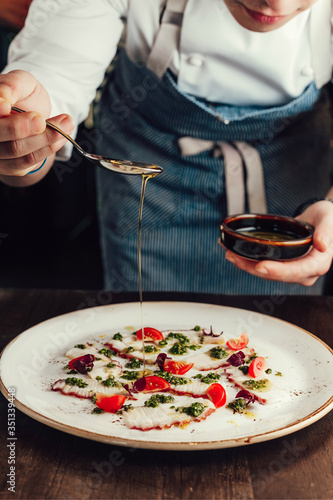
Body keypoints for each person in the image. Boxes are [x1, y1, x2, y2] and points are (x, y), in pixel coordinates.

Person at [0, 0, 332, 295]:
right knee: (142, 336)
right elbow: (54, 78)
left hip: (291, 194)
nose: (276, 3)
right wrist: (23, 145)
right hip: (149, 193)